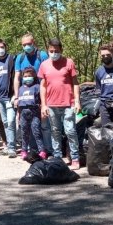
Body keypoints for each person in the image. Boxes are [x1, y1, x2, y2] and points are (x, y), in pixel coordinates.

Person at [38, 38, 81, 170]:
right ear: (48, 51)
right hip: (51, 104)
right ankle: (57, 157)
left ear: (61, 50)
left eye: (56, 51)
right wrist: (43, 104)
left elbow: (75, 83)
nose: (54, 53)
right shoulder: (44, 65)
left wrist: (77, 101)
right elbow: (43, 86)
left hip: (68, 103)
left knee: (70, 130)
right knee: (55, 131)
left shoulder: (69, 63)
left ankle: (75, 158)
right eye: (51, 51)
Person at [13, 33, 53, 154]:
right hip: (27, 96)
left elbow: (49, 74)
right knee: (29, 126)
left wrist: (45, 100)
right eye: (24, 45)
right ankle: (34, 150)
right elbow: (17, 78)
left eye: (29, 44)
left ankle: (48, 149)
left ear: (34, 42)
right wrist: (16, 97)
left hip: (43, 94)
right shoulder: (20, 58)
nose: (27, 46)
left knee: (45, 126)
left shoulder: (42, 55)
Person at [15, 67, 46, 160]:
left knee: (36, 132)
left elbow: (41, 100)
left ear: (34, 76)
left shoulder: (37, 87)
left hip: (34, 112)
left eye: (29, 76)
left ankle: (42, 151)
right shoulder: (20, 88)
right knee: (24, 132)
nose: (27, 78)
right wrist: (18, 114)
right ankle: (24, 150)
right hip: (23, 113)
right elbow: (19, 104)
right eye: (25, 76)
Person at [0, 39, 17, 156]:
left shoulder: (12, 59)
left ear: (5, 47)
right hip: (0, 99)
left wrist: (15, 95)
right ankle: (8, 145)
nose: (0, 50)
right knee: (5, 123)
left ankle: (12, 147)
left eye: (1, 47)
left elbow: (16, 78)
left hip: (10, 97)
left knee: (12, 121)